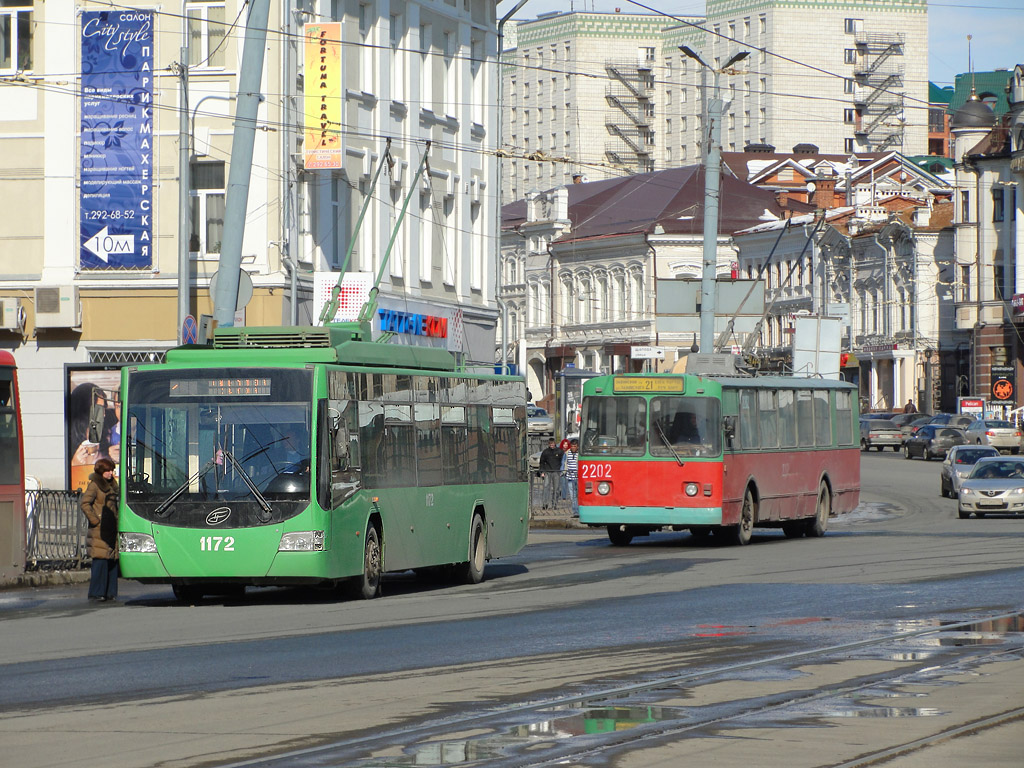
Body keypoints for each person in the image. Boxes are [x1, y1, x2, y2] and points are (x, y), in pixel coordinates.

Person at [80, 457, 119, 602]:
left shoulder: (113, 485)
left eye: (112, 470)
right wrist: (96, 520)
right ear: (101, 471)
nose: (111, 473)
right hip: (100, 529)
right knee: (100, 560)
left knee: (112, 560)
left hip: (112, 528)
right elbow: (85, 503)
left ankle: (110, 592)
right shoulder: (95, 485)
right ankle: (96, 592)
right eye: (108, 471)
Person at [538, 437, 564, 509]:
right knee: (546, 488)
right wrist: (542, 472)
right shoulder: (545, 452)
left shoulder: (560, 451)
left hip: (557, 472)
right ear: (548, 444)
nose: (551, 445)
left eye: (552, 444)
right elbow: (542, 462)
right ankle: (545, 504)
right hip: (547, 472)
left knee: (556, 489)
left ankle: (554, 504)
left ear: (555, 443)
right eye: (550, 444)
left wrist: (562, 471)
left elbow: (563, 461)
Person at [561, 438, 579, 518]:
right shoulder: (567, 454)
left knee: (577, 495)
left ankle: (578, 511)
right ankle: (575, 511)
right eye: (572, 446)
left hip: (578, 478)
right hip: (570, 477)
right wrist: (562, 472)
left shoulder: (579, 454)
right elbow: (563, 463)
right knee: (572, 496)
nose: (573, 448)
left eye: (575, 446)